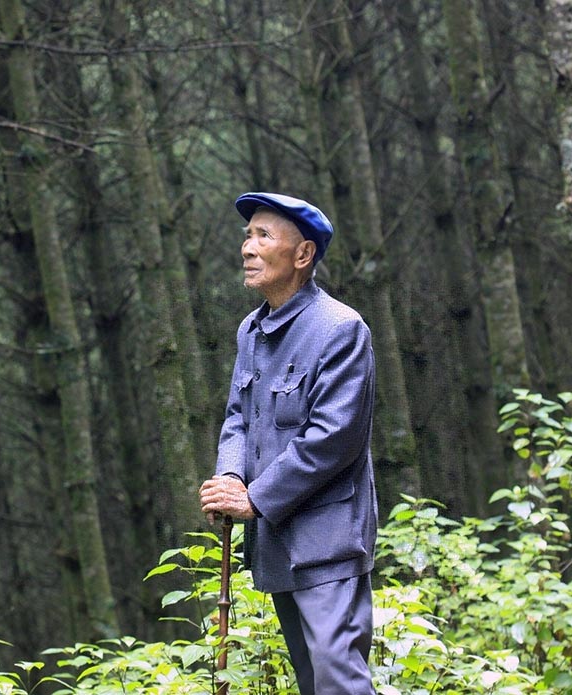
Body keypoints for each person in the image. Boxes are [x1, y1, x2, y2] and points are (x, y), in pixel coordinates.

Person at [199, 192, 378, 695]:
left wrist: (253, 498)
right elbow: (238, 415)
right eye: (246, 235)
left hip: (329, 538)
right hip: (277, 539)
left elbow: (332, 439)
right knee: (311, 682)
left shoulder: (342, 329)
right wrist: (231, 477)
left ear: (303, 255)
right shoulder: (251, 331)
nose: (247, 248)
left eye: (263, 236)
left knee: (338, 679)